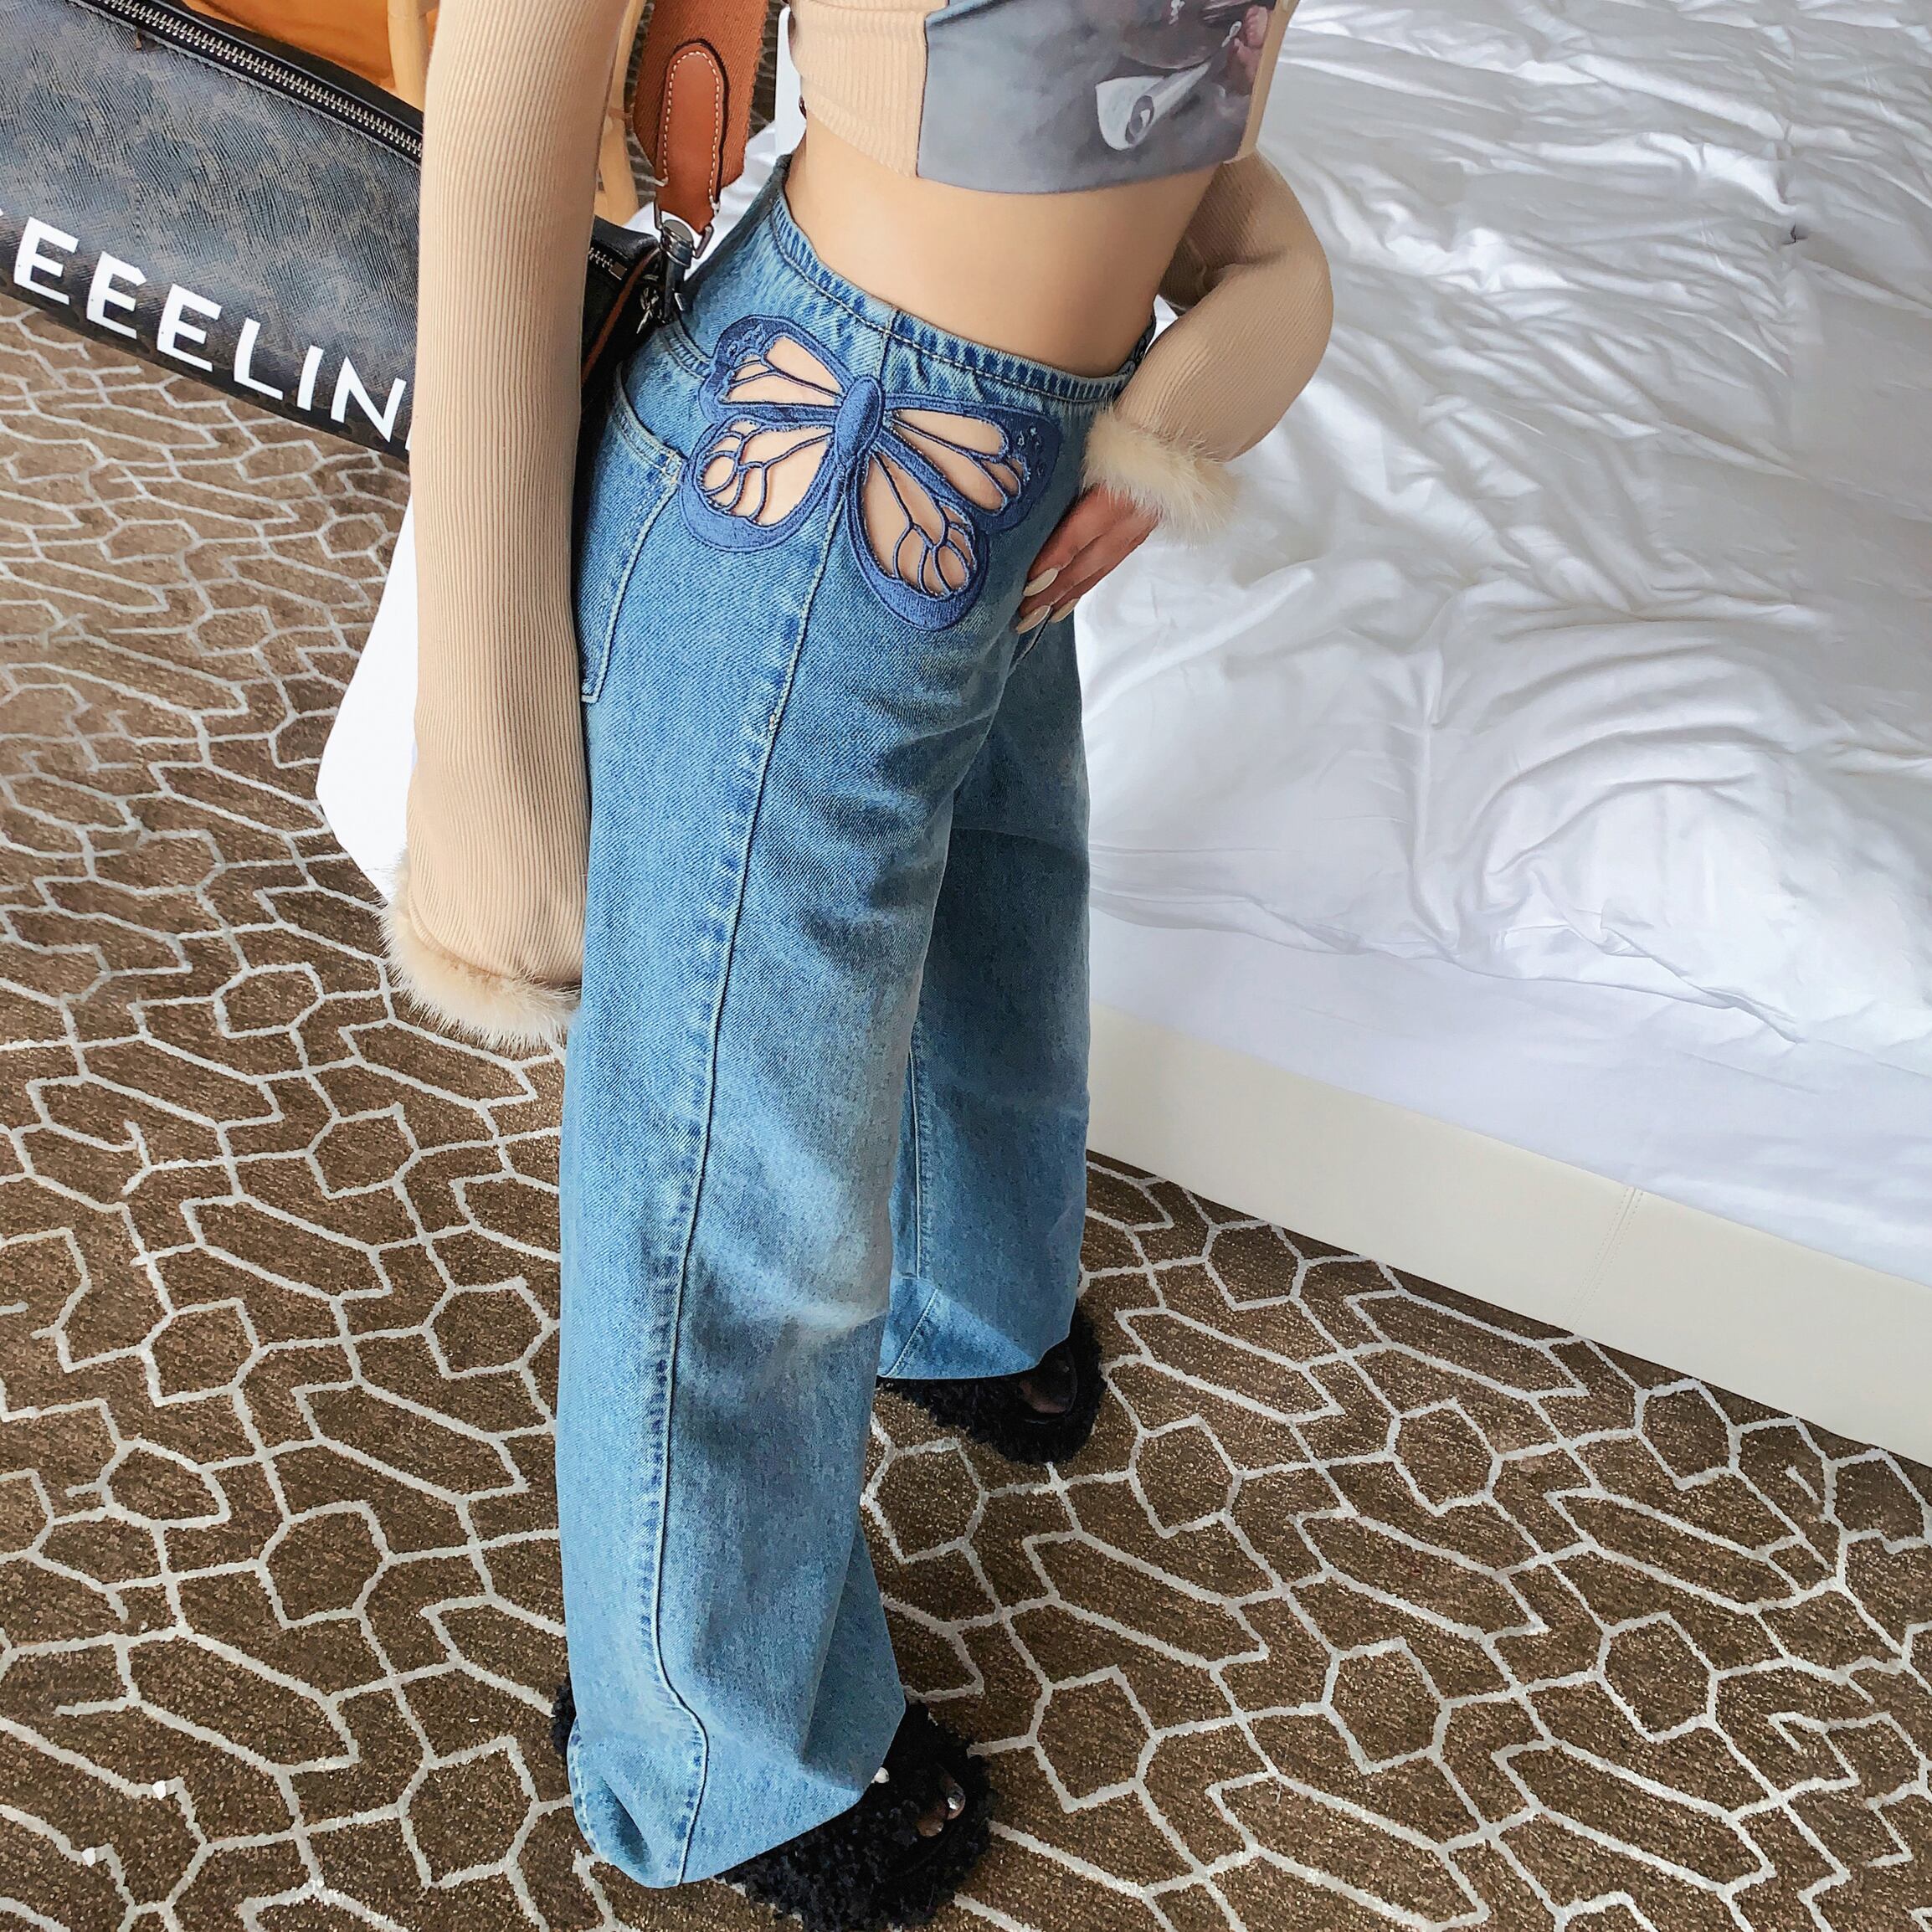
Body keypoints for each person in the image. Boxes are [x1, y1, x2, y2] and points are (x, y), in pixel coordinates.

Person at [384, 0, 1332, 1921]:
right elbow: (503, 96)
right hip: (811, 468)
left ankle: (967, 1301)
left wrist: (1268, 275)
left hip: (1010, 460)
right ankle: (706, 1741)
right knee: (742, 1194)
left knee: (1002, 891)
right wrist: (475, 739)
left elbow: (1152, 71)